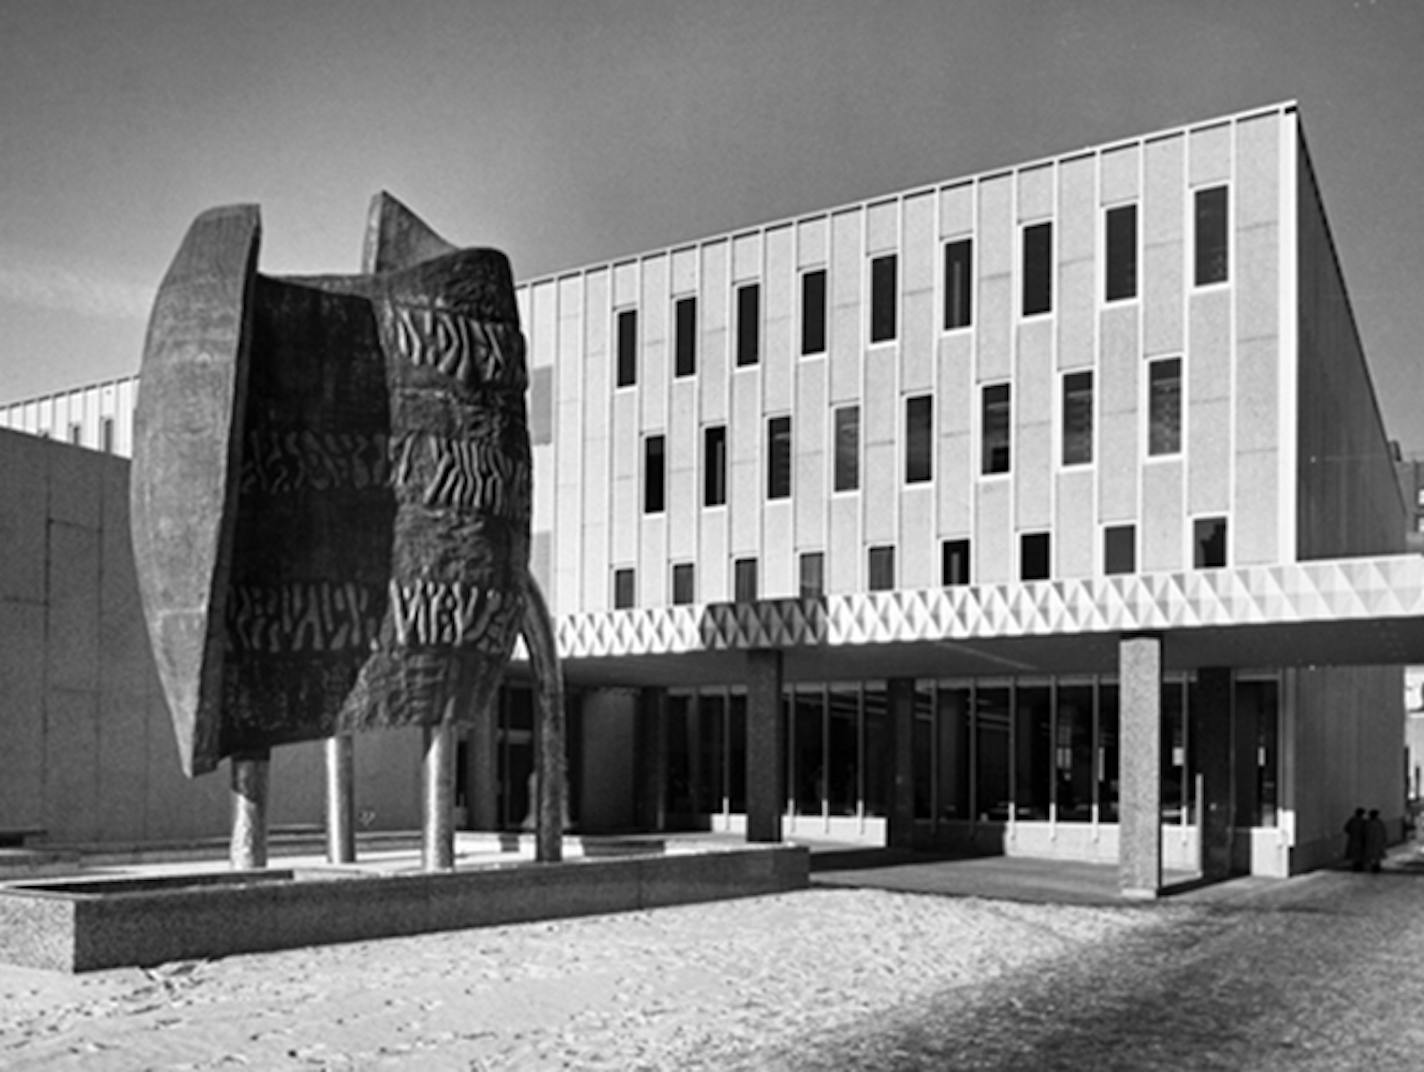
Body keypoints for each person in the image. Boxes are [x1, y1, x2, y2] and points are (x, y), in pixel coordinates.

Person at [1364, 808, 1388, 873]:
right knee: (1371, 854)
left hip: (1376, 841)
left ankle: (1376, 866)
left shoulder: (1378, 822)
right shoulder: (1369, 822)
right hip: (1371, 841)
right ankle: (1373, 865)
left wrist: (1384, 838)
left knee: (1376, 854)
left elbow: (1383, 831)